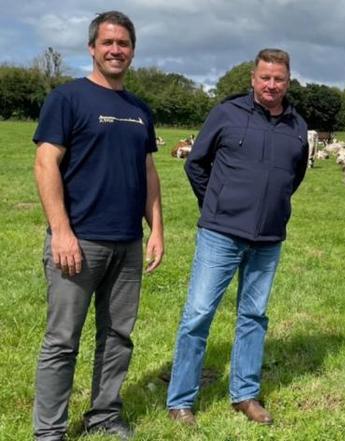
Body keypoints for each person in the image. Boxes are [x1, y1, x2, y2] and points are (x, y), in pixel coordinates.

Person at [32, 10, 163, 441]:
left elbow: (147, 171)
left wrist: (156, 229)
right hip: (79, 242)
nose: (115, 50)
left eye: (123, 44)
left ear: (132, 51)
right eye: (107, 42)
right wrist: (62, 231)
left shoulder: (140, 110)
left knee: (118, 336)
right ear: (92, 48)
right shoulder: (67, 98)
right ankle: (49, 431)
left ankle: (105, 415)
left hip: (126, 244)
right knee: (61, 341)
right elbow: (45, 162)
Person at [166, 48, 309, 427]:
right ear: (252, 78)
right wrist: (217, 204)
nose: (271, 85)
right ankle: (181, 400)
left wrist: (271, 207)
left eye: (278, 79)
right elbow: (196, 165)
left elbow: (293, 178)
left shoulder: (297, 125)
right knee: (198, 314)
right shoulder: (227, 113)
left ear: (288, 81)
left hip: (268, 238)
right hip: (220, 233)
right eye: (265, 78)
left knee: (254, 315)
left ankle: (244, 394)